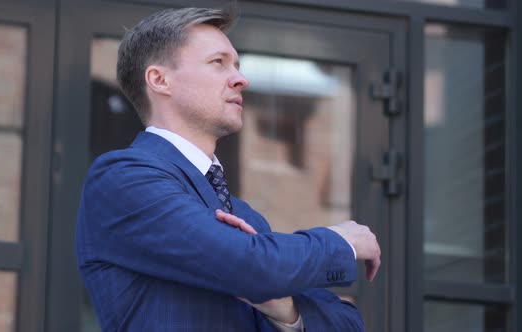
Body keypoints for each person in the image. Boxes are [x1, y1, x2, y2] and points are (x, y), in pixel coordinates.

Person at [76, 7, 381, 332]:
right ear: (159, 79)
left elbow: (349, 325)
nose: (240, 78)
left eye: (236, 64)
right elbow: (251, 265)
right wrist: (340, 241)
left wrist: (285, 309)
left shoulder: (245, 216)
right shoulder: (122, 179)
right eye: (218, 62)